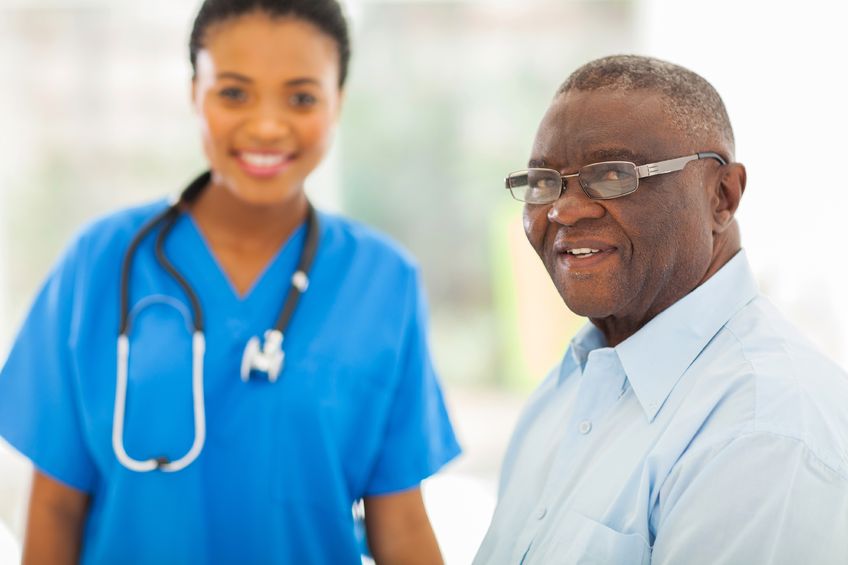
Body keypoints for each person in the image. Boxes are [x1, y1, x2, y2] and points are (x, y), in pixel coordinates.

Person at [0, 0, 461, 563]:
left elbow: (401, 521)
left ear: (338, 101)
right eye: (234, 93)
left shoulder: (383, 282)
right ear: (195, 93)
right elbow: (54, 508)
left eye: (301, 97)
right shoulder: (98, 263)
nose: (266, 125)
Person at [475, 55, 848, 564]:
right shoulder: (571, 386)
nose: (563, 209)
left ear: (723, 196)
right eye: (543, 182)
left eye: (611, 175)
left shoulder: (765, 429)